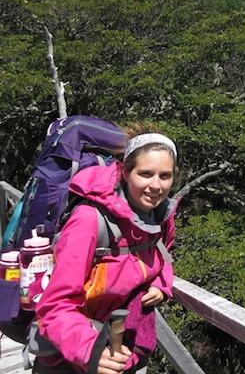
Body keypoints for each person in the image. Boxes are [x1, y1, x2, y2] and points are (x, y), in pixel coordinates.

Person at [33, 125, 179, 374]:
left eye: (164, 176)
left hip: (124, 344)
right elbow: (55, 305)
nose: (156, 186)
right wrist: (90, 351)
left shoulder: (160, 216)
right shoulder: (89, 220)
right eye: (145, 174)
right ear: (124, 171)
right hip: (72, 353)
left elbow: (163, 255)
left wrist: (161, 284)